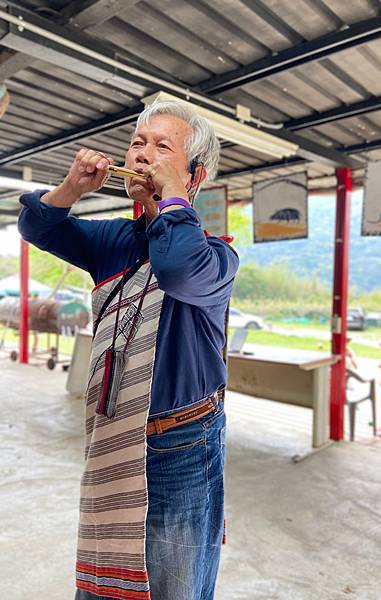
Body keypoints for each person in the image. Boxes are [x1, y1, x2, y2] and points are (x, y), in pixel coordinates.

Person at [18, 100, 239, 600]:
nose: (143, 154)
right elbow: (38, 226)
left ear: (196, 174)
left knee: (172, 585)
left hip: (182, 444)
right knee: (104, 579)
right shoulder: (113, 240)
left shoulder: (216, 256)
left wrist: (174, 198)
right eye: (138, 142)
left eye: (163, 147)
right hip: (114, 438)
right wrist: (73, 187)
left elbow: (178, 266)